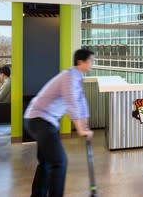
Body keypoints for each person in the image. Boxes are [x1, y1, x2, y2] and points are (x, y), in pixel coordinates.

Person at [24, 49, 95, 197]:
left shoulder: (77, 78)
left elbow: (81, 105)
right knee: (59, 162)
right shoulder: (69, 77)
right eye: (90, 60)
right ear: (81, 62)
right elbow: (71, 103)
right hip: (40, 119)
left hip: (43, 121)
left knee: (46, 163)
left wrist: (85, 125)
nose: (92, 64)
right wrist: (80, 130)